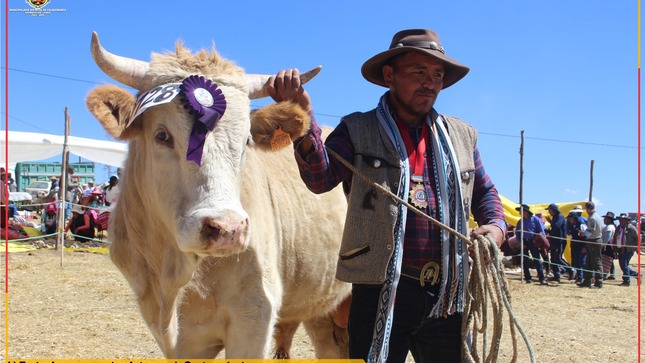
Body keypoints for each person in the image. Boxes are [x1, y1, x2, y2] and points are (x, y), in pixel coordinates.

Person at [268, 29, 506, 363]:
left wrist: (495, 227)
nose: (430, 82)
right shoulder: (356, 130)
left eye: (437, 74)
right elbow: (321, 179)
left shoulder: (463, 137)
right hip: (380, 291)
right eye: (418, 72)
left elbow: (485, 193)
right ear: (390, 75)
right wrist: (304, 119)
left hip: (448, 295)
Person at [515, 204, 548, 285]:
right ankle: (528, 278)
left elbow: (541, 231)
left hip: (533, 241)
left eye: (521, 211)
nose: (520, 213)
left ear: (525, 211)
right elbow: (517, 233)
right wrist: (520, 242)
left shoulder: (535, 219)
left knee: (537, 260)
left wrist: (539, 240)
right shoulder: (520, 222)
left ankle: (541, 278)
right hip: (524, 241)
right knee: (525, 260)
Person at [578, 201, 603, 288]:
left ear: (588, 209)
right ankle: (587, 281)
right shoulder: (596, 216)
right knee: (588, 262)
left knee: (596, 261)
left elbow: (591, 230)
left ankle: (599, 282)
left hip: (594, 241)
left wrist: (583, 233)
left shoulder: (592, 218)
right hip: (592, 241)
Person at [545, 203, 571, 282]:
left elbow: (556, 226)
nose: (549, 212)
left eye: (549, 210)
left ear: (553, 210)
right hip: (554, 241)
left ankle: (570, 270)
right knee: (553, 259)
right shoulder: (555, 217)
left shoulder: (560, 216)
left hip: (560, 241)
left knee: (558, 258)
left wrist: (550, 222)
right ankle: (556, 276)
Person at [612, 213, 640, 286]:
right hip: (620, 249)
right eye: (620, 220)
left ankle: (626, 281)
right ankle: (637, 275)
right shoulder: (618, 228)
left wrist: (636, 247)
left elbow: (638, 237)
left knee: (624, 265)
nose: (621, 221)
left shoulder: (631, 228)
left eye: (622, 220)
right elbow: (616, 237)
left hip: (628, 250)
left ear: (626, 220)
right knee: (623, 266)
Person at [566, 205, 587, 283]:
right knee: (576, 262)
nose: (569, 220)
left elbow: (585, 236)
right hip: (575, 245)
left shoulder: (581, 223)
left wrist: (584, 246)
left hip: (581, 246)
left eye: (570, 218)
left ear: (573, 218)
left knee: (581, 262)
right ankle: (578, 277)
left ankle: (581, 278)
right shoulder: (573, 224)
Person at [600, 211, 617, 280]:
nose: (604, 220)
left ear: (609, 220)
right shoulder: (611, 226)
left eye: (605, 218)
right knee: (610, 261)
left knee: (606, 260)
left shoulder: (609, 227)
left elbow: (608, 237)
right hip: (610, 245)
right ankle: (612, 274)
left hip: (608, 245)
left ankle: (604, 274)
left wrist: (604, 245)